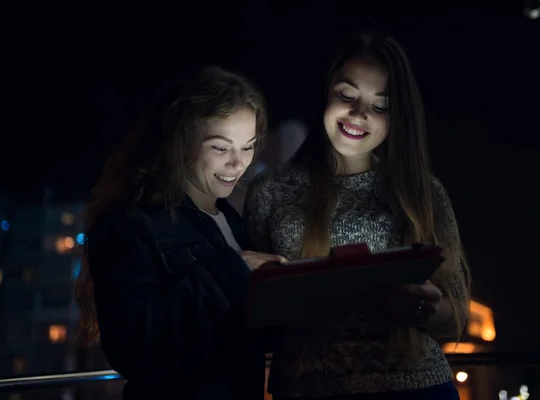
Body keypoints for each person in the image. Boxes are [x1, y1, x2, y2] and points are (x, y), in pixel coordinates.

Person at [244, 30, 470, 400]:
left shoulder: (422, 191)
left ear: (398, 118)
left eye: (379, 106)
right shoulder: (271, 190)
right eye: (347, 96)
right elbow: (254, 316)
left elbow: (457, 317)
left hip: (415, 387)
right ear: (326, 95)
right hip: (307, 388)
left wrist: (419, 306)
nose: (359, 114)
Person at [74, 65, 285, 400]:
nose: (238, 163)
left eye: (248, 146)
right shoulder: (131, 222)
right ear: (181, 142)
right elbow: (133, 348)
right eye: (220, 147)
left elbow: (235, 337)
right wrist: (234, 268)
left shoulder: (232, 222)